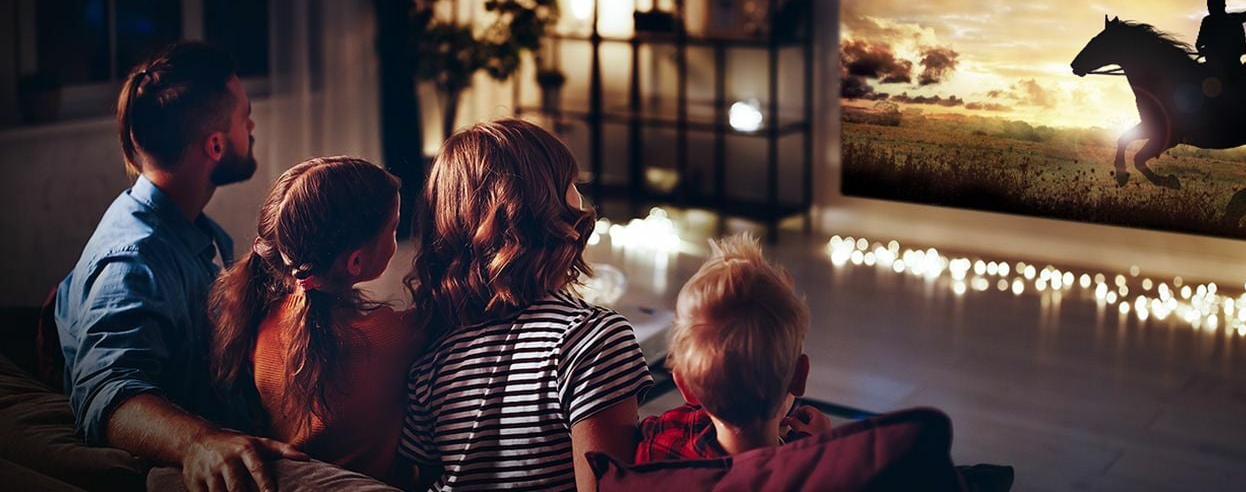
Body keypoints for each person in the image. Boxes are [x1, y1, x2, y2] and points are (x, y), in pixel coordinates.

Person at [54, 42, 307, 492]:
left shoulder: (190, 228)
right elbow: (107, 393)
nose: (252, 128)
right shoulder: (133, 259)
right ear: (215, 144)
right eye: (244, 117)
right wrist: (199, 442)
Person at [400, 119, 654, 491]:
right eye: (571, 183)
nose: (580, 197)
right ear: (548, 207)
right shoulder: (592, 340)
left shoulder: (431, 357)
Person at [209, 156, 424, 486]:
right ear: (355, 261)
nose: (396, 236)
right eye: (393, 229)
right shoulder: (392, 336)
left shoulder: (260, 323)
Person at [637, 233, 832, 462]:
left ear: (684, 386)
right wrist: (825, 447)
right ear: (799, 375)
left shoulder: (660, 445)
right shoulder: (811, 469)